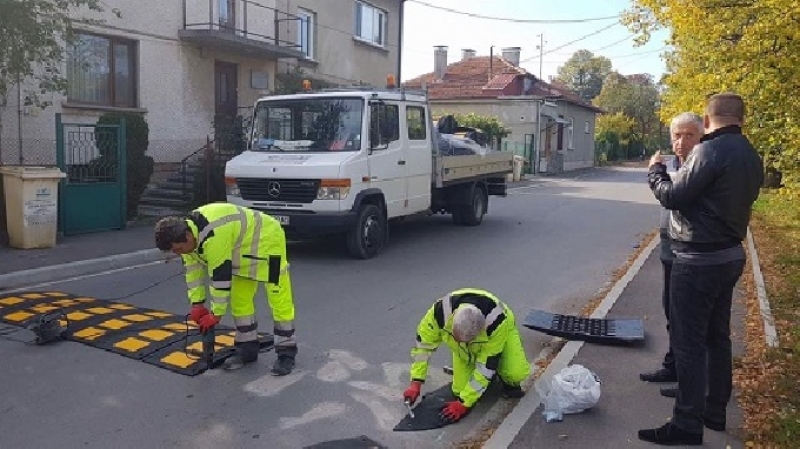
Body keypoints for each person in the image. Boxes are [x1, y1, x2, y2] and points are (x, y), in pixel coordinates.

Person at [638, 93, 764, 445]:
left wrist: (656, 172)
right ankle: (713, 410)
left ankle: (686, 425)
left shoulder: (709, 151)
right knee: (717, 338)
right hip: (729, 255)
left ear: (707, 121)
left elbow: (673, 197)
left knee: (689, 342)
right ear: (742, 118)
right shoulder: (751, 155)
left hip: (697, 259)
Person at [154, 202, 297, 376]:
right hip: (242, 253)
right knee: (240, 301)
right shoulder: (189, 239)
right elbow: (193, 273)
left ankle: (286, 352)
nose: (178, 253)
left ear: (187, 235)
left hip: (269, 242)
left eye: (178, 249)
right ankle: (247, 350)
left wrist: (215, 314)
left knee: (278, 298)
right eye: (174, 252)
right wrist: (197, 304)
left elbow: (220, 278)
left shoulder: (213, 234)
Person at [639, 112, 704, 399]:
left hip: (689, 252)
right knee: (672, 314)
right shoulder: (678, 163)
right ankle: (674, 367)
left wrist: (655, 171)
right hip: (670, 249)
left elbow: (671, 196)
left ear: (701, 136)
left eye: (689, 135)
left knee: (688, 321)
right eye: (677, 135)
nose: (681, 141)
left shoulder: (701, 165)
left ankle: (689, 383)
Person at [402, 288, 531, 423]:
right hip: (464, 342)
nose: (461, 343)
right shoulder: (438, 315)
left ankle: (503, 376)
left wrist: (464, 404)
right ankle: (481, 375)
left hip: (502, 331)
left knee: (515, 374)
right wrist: (415, 382)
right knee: (459, 391)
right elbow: (423, 349)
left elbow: (486, 365)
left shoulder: (496, 323)